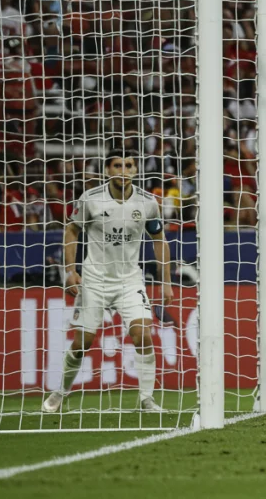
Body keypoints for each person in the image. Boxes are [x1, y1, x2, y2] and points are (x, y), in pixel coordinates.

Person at [42, 151, 171, 413]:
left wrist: (166, 281)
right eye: (117, 166)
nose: (123, 170)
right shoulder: (90, 199)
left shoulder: (147, 202)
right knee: (83, 343)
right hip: (94, 279)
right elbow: (71, 230)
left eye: (129, 166)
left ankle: (147, 399)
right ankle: (61, 391)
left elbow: (159, 239)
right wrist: (70, 271)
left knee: (143, 335)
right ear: (107, 170)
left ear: (135, 170)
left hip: (129, 280)